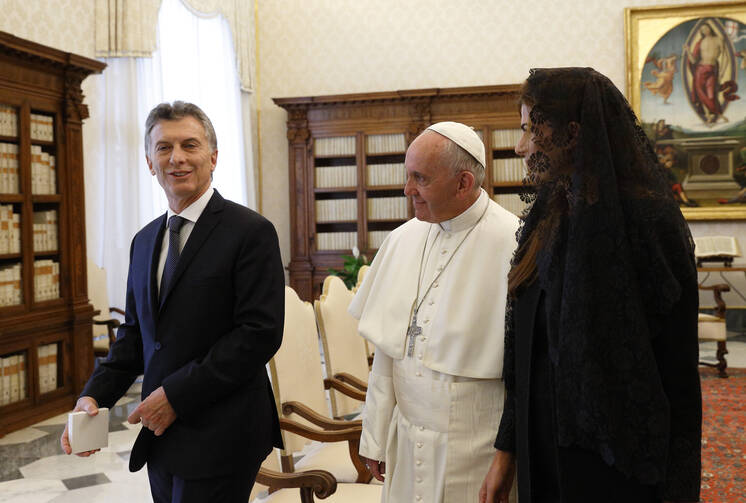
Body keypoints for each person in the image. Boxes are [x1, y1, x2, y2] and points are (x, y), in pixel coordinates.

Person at [479, 68, 702, 503]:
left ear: (572, 132)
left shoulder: (650, 221)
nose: (519, 146)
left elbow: (677, 376)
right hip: (543, 451)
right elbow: (524, 354)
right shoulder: (545, 214)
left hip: (620, 469)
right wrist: (507, 452)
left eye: (530, 130)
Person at [60, 101, 285, 503]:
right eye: (163, 148)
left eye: (189, 145)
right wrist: (93, 397)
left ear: (213, 157)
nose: (176, 158)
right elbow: (135, 336)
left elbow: (259, 334)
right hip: (161, 436)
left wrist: (175, 396)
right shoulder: (144, 241)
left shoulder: (251, 232)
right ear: (149, 161)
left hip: (224, 430)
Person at [349, 121, 520, 502]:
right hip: (406, 442)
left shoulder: (515, 243)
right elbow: (387, 355)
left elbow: (524, 377)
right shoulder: (401, 239)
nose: (408, 189)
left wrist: (508, 460)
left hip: (476, 449)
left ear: (463, 183)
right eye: (407, 176)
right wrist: (375, 437)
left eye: (420, 178)